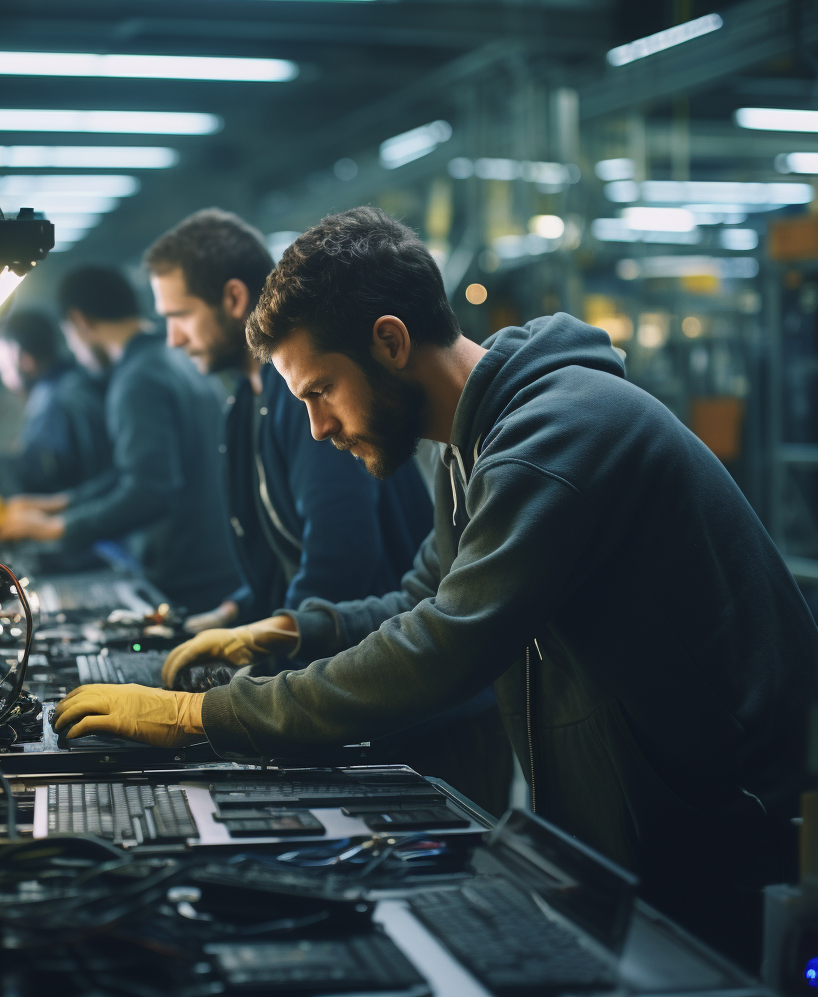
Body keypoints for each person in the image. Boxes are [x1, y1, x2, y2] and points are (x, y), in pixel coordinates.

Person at [53, 208, 818, 967]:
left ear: (389, 341)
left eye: (320, 390)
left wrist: (202, 715)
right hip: (626, 829)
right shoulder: (476, 444)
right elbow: (424, 592)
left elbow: (444, 644)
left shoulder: (556, 438)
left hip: (721, 835)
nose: (316, 428)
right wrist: (293, 631)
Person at [144, 208, 433, 635]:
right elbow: (283, 561)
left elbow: (341, 558)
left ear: (234, 299)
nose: (173, 338)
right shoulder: (247, 400)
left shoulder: (310, 395)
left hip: (377, 652)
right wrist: (228, 617)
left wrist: (266, 659)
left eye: (180, 315)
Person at [0, 266, 238, 614]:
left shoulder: (137, 379)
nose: (75, 354)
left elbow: (148, 491)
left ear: (80, 322)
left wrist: (55, 528)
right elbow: (136, 471)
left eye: (70, 337)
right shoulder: (181, 360)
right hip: (219, 566)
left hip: (185, 580)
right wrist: (57, 504)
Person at [0, 307, 110, 496]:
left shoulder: (56, 400)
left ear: (26, 360)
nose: (5, 380)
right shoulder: (75, 380)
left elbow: (45, 474)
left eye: (4, 369)